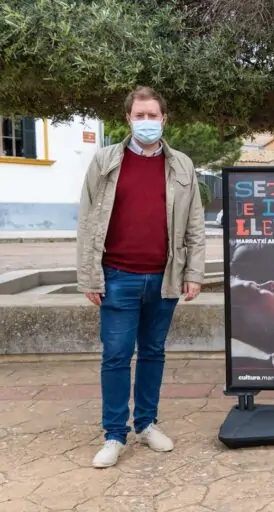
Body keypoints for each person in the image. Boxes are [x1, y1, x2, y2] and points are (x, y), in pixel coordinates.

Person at [76, 85, 206, 468]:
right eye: (139, 115)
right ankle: (114, 434)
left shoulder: (182, 165)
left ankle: (147, 423)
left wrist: (193, 273)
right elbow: (86, 220)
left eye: (153, 115)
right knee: (116, 356)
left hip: (164, 278)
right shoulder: (105, 162)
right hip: (117, 276)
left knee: (153, 353)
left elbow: (195, 225)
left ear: (164, 118)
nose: (146, 122)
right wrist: (89, 277)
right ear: (127, 119)